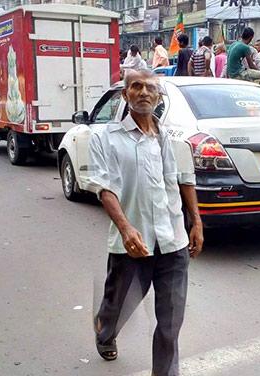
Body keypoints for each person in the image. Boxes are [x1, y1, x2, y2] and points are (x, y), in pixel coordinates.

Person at [89, 69, 204, 376]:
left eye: (149, 87)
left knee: (169, 324)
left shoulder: (175, 140)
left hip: (173, 243)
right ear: (125, 95)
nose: (143, 92)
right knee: (116, 306)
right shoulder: (106, 138)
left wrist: (196, 221)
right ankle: (105, 330)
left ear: (159, 96)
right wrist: (126, 229)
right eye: (135, 87)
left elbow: (186, 181)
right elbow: (105, 188)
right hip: (131, 245)